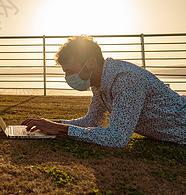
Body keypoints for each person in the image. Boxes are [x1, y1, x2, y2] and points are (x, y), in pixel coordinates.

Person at [22, 35, 185, 148]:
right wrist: (53, 123)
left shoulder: (125, 79)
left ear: (91, 63)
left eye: (70, 71)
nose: (68, 77)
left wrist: (59, 129)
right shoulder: (99, 81)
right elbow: (92, 121)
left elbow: (117, 138)